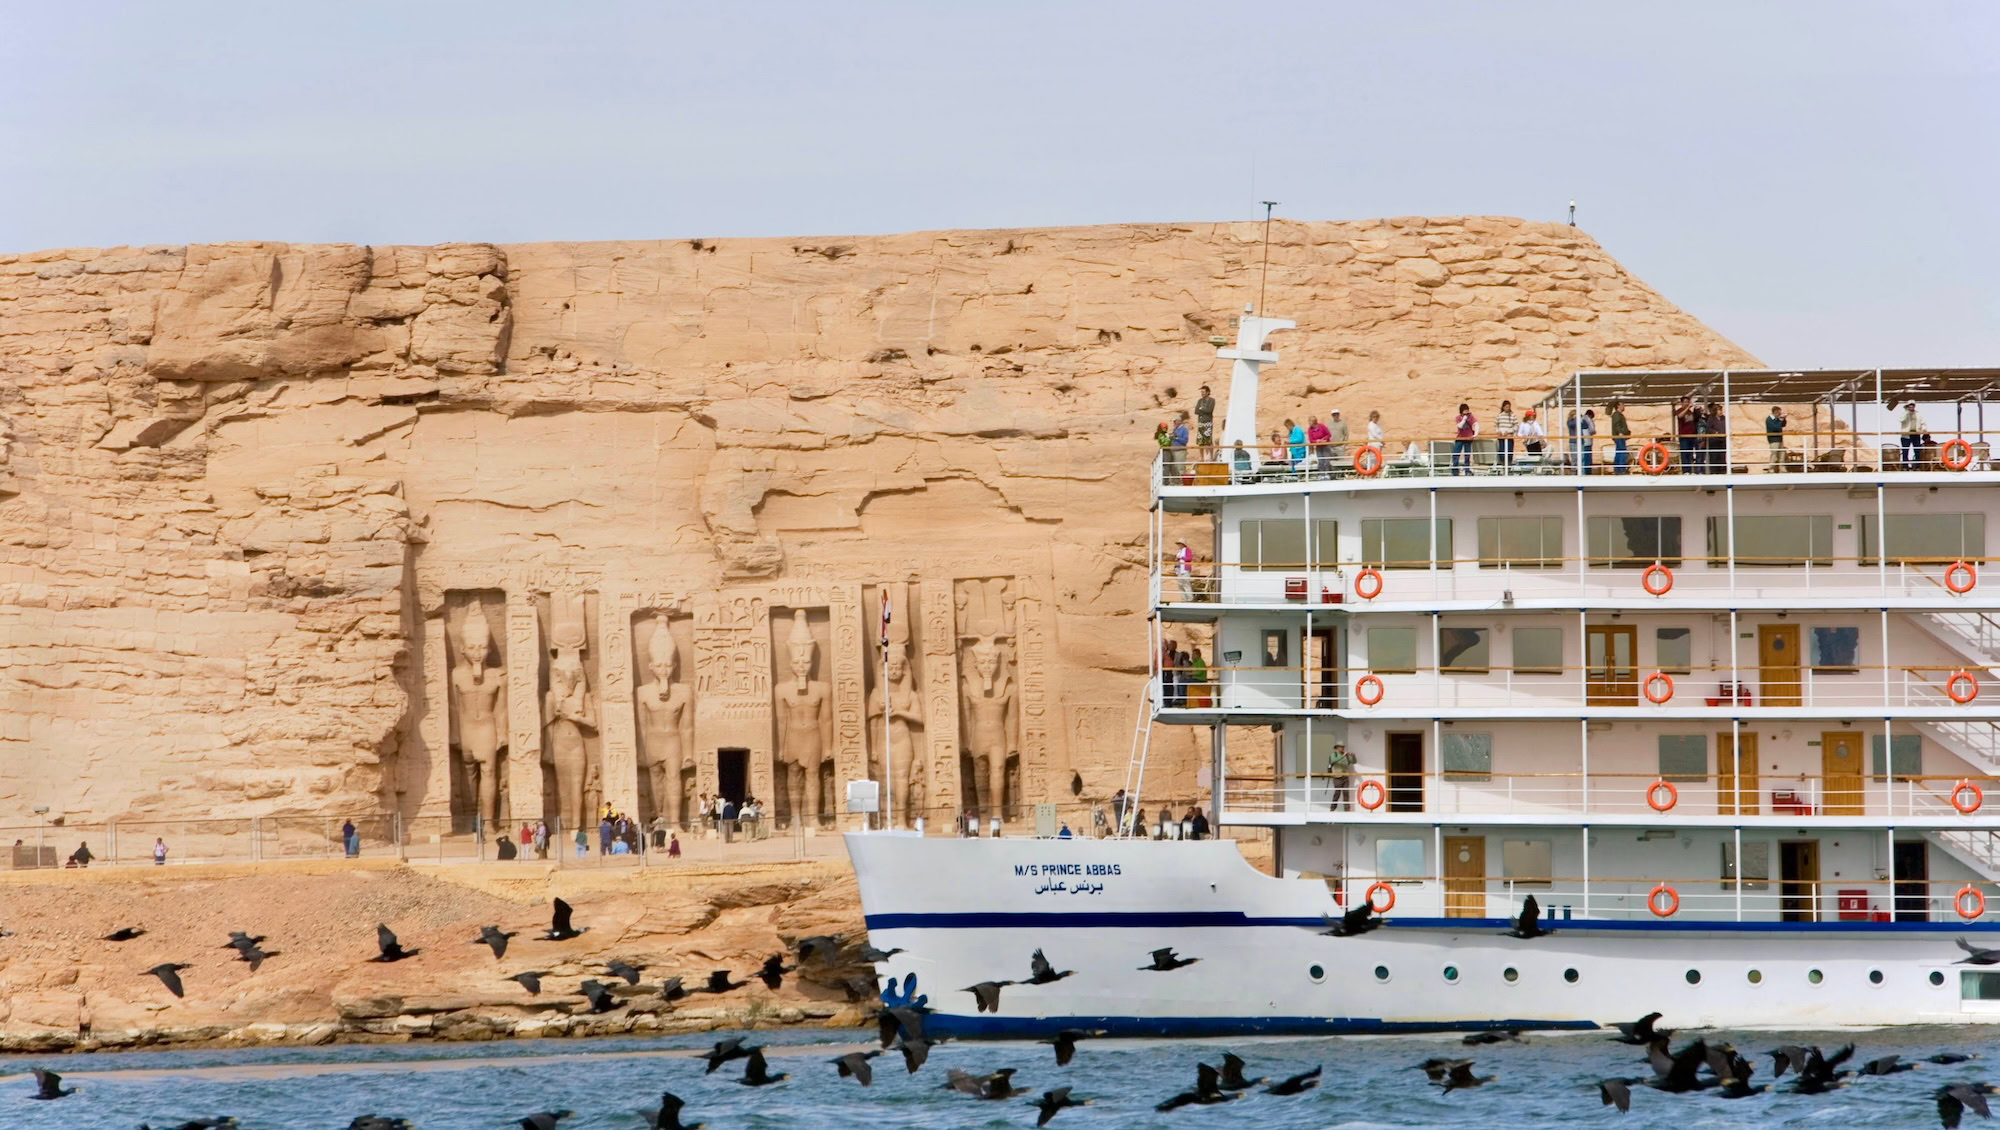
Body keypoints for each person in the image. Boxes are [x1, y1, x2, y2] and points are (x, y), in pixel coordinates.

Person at [1327, 742, 1357, 811]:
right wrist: (1343, 756)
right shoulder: (1334, 754)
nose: (1342, 748)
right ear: (1337, 748)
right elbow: (1333, 761)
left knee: (1346, 793)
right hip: (1337, 777)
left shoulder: (1345, 755)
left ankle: (1347, 810)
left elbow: (1354, 762)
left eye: (1343, 747)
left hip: (1345, 777)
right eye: (1341, 747)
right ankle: (1332, 809)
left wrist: (1353, 756)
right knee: (1337, 793)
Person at [1674, 396, 1698, 472]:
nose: (1687, 403)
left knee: (1690, 454)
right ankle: (1685, 470)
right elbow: (1680, 416)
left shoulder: (1690, 412)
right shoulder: (1679, 410)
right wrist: (1687, 408)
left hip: (1691, 435)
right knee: (1684, 453)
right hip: (1684, 436)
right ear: (1681, 403)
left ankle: (1690, 470)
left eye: (1688, 402)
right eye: (1685, 402)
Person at [1451, 403, 1476, 475]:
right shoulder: (1458, 417)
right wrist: (1464, 419)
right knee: (1456, 454)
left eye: (1467, 410)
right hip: (1460, 438)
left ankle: (1467, 470)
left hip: (1468, 438)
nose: (1466, 412)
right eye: (1465, 410)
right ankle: (1455, 470)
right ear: (1461, 411)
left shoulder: (1471, 417)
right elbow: (1460, 426)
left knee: (1467, 455)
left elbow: (1475, 423)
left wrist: (1475, 434)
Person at [1570, 408, 1596, 474]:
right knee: (1579, 459)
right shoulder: (1572, 421)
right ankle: (1584, 472)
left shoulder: (1583, 420)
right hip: (1581, 442)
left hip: (1583, 441)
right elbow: (1592, 429)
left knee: (1583, 459)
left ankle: (1583, 472)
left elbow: (1585, 426)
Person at [1493, 400, 1517, 471]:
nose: (1507, 408)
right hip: (1501, 437)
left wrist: (1509, 431)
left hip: (1509, 437)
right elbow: (1496, 425)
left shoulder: (1513, 415)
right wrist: (1498, 431)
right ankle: (1504, 467)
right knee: (1502, 452)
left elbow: (1516, 426)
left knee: (1509, 453)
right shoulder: (1499, 415)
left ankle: (1508, 468)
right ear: (1503, 407)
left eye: (1509, 407)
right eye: (1506, 407)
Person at [1608, 400, 1631, 474]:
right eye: (1622, 405)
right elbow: (1617, 424)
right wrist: (1620, 432)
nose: (1623, 406)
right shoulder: (1617, 415)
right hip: (1619, 436)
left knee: (1619, 452)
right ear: (1618, 406)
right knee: (1621, 452)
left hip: (1620, 436)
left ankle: (1618, 469)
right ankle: (1621, 469)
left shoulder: (1618, 415)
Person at [1194, 385, 1216, 458]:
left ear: (1208, 392)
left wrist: (1201, 409)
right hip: (1200, 423)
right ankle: (1202, 457)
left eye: (1203, 392)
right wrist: (1203, 409)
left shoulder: (1211, 400)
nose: (1202, 393)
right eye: (1201, 392)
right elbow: (1196, 411)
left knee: (1208, 440)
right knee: (1200, 441)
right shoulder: (1199, 401)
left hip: (1208, 422)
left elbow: (1209, 410)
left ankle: (1211, 457)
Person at [1704, 400, 1727, 471]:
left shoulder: (1724, 418)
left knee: (1722, 455)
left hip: (1723, 439)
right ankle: (1714, 471)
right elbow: (1708, 428)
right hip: (1714, 440)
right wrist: (1715, 432)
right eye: (1719, 410)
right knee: (1714, 455)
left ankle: (1722, 470)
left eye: (1721, 410)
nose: (1721, 411)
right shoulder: (1711, 418)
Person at [1901, 401, 1925, 468]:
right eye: (1909, 405)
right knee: (1905, 451)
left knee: (1917, 451)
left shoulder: (1918, 414)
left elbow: (1923, 422)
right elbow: (1901, 420)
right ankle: (1905, 467)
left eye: (1912, 405)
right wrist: (1906, 411)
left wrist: (1924, 429)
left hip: (1916, 434)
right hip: (1906, 435)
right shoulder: (1904, 413)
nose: (1911, 406)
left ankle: (1917, 466)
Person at [1169, 413, 1191, 484]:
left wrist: (1176, 438)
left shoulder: (1184, 429)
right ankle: (1175, 481)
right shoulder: (1175, 429)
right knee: (1174, 467)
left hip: (1180, 451)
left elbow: (1185, 440)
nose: (1174, 422)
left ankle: (1182, 482)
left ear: (1179, 421)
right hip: (1173, 450)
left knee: (1180, 467)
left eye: (1175, 421)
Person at [1325, 408, 1349, 472]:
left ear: (1339, 415)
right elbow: (1326, 434)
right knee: (1331, 463)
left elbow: (1346, 434)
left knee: (1341, 463)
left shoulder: (1343, 423)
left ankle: (1341, 475)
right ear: (1332, 415)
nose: (1336, 416)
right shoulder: (1328, 424)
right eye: (1334, 414)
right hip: (1331, 446)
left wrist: (1345, 444)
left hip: (1340, 446)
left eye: (1337, 414)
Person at [1765, 405, 1787, 471]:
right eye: (1779, 413)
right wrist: (1780, 420)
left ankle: (1782, 469)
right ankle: (1771, 469)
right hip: (1773, 440)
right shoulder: (1769, 419)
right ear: (1775, 412)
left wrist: (1783, 419)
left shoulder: (1777, 419)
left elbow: (1783, 425)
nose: (1780, 414)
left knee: (1781, 454)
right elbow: (1776, 427)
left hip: (1779, 439)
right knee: (1774, 454)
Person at [1174, 538, 1194, 602]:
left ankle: (1190, 599)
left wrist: (1181, 558)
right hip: (1179, 569)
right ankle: (1184, 599)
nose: (1179, 545)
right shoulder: (1180, 551)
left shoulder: (1187, 550)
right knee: (1180, 584)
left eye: (1179, 544)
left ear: (1183, 544)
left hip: (1185, 569)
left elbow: (1189, 558)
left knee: (1186, 583)